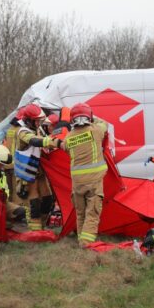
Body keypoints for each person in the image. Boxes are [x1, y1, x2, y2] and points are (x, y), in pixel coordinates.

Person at [59, 103, 108, 247]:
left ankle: (81, 239)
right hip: (94, 181)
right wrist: (94, 118)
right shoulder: (96, 131)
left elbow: (64, 147)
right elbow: (104, 124)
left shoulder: (69, 137)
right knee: (92, 213)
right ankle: (86, 244)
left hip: (77, 183)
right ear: (89, 117)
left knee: (80, 213)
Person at [14, 104, 58, 231]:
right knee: (34, 203)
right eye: (37, 121)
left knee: (48, 200)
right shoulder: (22, 131)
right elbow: (34, 141)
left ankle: (42, 226)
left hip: (39, 172)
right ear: (29, 120)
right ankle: (35, 231)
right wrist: (53, 142)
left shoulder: (37, 129)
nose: (39, 123)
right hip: (28, 175)